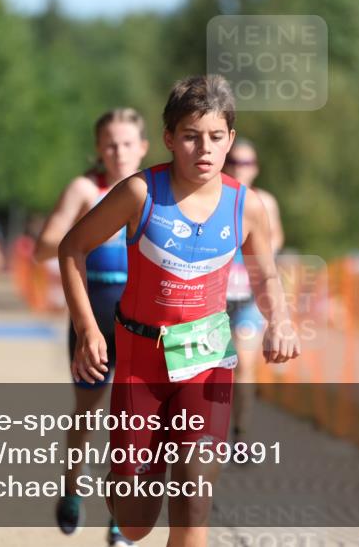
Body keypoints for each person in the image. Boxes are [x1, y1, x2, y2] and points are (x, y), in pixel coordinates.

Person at [58, 75, 300, 547]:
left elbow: (266, 275)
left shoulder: (246, 206)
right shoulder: (139, 193)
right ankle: (123, 479)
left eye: (215, 137)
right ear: (169, 139)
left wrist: (281, 320)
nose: (203, 149)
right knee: (135, 523)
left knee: (193, 501)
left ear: (230, 139)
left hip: (206, 358)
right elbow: (72, 249)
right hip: (140, 360)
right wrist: (88, 329)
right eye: (190, 136)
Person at [34, 108, 148, 546]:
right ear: (99, 149)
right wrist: (94, 233)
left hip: (140, 316)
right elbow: (46, 247)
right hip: (93, 313)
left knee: (134, 421)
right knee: (87, 412)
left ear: (143, 147)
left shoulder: (152, 190)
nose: (118, 152)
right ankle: (71, 487)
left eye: (126, 143)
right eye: (110, 144)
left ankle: (120, 516)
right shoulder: (86, 189)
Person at [221, 138, 284, 450]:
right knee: (216, 368)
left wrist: (256, 249)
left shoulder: (264, 202)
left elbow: (276, 242)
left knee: (244, 364)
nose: (239, 168)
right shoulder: (214, 197)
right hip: (215, 298)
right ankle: (208, 431)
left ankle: (242, 432)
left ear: (255, 168)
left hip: (248, 297)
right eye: (233, 161)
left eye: (246, 163)